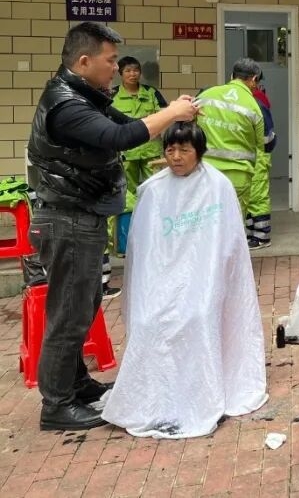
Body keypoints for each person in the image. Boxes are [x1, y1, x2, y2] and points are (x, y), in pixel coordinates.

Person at [26, 22, 198, 431]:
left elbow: (130, 126)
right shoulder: (66, 104)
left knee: (83, 304)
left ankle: (76, 384)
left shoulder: (87, 96)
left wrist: (174, 115)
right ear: (84, 61)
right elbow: (119, 137)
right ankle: (57, 405)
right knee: (68, 313)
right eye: (110, 61)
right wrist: (172, 112)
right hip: (67, 217)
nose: (116, 69)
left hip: (82, 214)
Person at [102, 122, 268, 437]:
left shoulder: (218, 186)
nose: (176, 157)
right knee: (149, 320)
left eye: (184, 150)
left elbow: (228, 244)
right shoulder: (152, 191)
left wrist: (206, 280)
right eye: (170, 149)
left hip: (205, 279)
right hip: (163, 279)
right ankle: (154, 397)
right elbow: (144, 250)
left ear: (199, 152)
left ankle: (200, 393)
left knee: (198, 315)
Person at [106, 56, 168, 284]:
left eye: (136, 70)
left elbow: (164, 115)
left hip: (151, 152)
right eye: (128, 71)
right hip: (127, 154)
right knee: (127, 197)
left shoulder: (151, 93)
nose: (133, 74)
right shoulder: (111, 95)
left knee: (158, 193)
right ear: (120, 73)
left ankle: (159, 237)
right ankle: (126, 242)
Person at [196, 58, 265, 242]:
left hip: (206, 173)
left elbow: (189, 128)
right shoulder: (253, 106)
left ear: (232, 75)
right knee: (233, 227)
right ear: (254, 79)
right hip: (238, 175)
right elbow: (261, 144)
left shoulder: (206, 96)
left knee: (206, 223)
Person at [245, 71, 277, 249]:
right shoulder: (256, 99)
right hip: (253, 154)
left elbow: (268, 135)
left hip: (258, 155)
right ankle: (252, 234)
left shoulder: (256, 101)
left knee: (257, 197)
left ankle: (262, 236)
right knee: (251, 197)